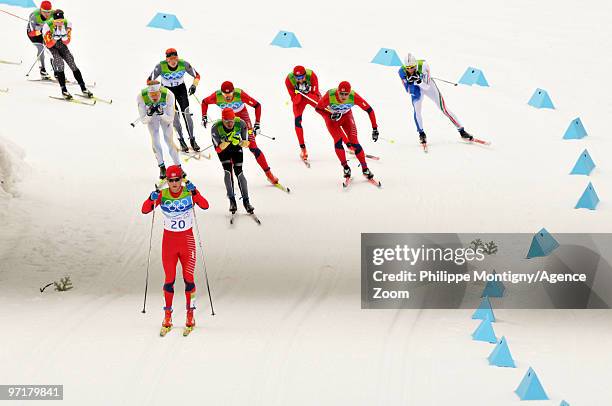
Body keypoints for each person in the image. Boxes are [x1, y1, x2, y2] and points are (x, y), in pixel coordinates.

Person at [141, 165, 209, 334]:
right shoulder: (162, 194)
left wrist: (196, 193)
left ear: (181, 179)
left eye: (177, 179)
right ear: (167, 181)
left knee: (188, 279)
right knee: (169, 279)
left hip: (187, 241)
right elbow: (144, 210)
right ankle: (167, 316)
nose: (174, 183)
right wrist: (151, 198)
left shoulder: (188, 192)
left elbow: (205, 205)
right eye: (170, 180)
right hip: (169, 243)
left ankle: (190, 316)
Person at [201, 81, 280, 185]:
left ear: (234, 91)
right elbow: (204, 102)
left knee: (253, 147)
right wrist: (204, 116)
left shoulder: (240, 94)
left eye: (230, 94)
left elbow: (257, 105)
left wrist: (257, 124)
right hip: (228, 121)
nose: (228, 97)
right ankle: (232, 178)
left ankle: (269, 175)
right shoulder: (216, 96)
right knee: (229, 147)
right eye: (225, 95)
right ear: (221, 93)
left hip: (242, 119)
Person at [398, 53, 473, 146]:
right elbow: (408, 90)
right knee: (417, 110)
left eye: (412, 67)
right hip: (416, 89)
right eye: (407, 68)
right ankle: (421, 133)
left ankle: (461, 130)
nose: (410, 70)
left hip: (428, 86)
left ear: (415, 65)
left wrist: (419, 81)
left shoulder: (424, 66)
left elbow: (426, 87)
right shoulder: (401, 71)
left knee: (443, 108)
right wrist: (411, 82)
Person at [316, 81, 379, 180]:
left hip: (347, 117)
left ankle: (365, 169)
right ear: (338, 91)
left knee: (355, 142)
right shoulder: (330, 95)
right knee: (338, 142)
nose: (343, 97)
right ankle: (346, 167)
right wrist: (329, 115)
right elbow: (318, 109)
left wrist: (374, 128)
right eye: (341, 93)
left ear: (349, 93)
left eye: (346, 94)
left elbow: (369, 110)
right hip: (332, 120)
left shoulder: (354, 97)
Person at [148, 48, 201, 153]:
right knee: (175, 116)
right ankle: (181, 140)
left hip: (181, 89)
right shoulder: (160, 66)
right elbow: (149, 80)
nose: (173, 61)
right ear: (167, 59)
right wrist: (157, 90)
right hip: (168, 92)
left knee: (187, 114)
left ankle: (192, 139)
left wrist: (194, 85)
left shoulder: (184, 64)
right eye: (171, 59)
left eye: (175, 58)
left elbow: (197, 75)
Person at [211, 108, 255, 214]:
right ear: (223, 120)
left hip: (236, 148)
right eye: (227, 121)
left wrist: (240, 142)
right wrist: (226, 141)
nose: (230, 123)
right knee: (227, 172)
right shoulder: (216, 127)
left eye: (232, 120)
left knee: (239, 172)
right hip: (223, 150)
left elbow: (247, 143)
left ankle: (246, 201)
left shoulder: (241, 123)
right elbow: (217, 149)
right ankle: (232, 200)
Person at [137, 80, 183, 180]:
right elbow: (143, 120)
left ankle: (179, 166)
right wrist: (149, 114)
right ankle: (162, 167)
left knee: (169, 140)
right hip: (152, 118)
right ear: (148, 93)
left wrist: (161, 113)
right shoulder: (141, 96)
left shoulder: (169, 95)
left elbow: (170, 118)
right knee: (155, 140)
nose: (154, 97)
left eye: (156, 94)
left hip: (165, 115)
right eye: (151, 95)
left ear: (160, 92)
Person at [42, 9, 93, 99]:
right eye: (57, 21)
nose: (60, 23)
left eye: (61, 21)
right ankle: (64, 90)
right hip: (50, 46)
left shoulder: (67, 24)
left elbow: (67, 42)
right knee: (59, 62)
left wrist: (64, 36)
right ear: (53, 20)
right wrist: (54, 38)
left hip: (61, 44)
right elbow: (48, 44)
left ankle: (83, 88)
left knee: (72, 62)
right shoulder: (47, 26)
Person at [285, 65, 321, 161]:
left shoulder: (312, 75)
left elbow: (316, 95)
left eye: (302, 77)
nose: (300, 80)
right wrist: (300, 93)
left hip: (311, 96)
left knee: (328, 114)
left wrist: (307, 92)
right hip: (299, 100)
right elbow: (295, 101)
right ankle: (303, 149)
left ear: (305, 75)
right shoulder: (289, 80)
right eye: (297, 78)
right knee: (297, 121)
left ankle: (348, 144)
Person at [26, 1, 53, 79]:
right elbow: (31, 33)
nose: (47, 14)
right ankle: (42, 70)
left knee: (52, 49)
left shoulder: (53, 15)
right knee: (41, 48)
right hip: (34, 35)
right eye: (44, 12)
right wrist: (41, 30)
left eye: (48, 12)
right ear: (40, 10)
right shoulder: (34, 17)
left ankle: (57, 72)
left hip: (44, 33)